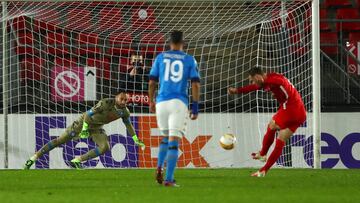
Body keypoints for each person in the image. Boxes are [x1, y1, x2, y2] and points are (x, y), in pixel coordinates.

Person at [24, 92, 145, 169]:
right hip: (83, 123)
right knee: (60, 141)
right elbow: (87, 114)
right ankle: (33, 158)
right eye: (121, 99)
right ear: (116, 98)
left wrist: (135, 139)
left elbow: (128, 125)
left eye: (126, 100)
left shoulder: (125, 112)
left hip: (97, 128)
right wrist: (84, 129)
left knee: (105, 147)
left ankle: (76, 161)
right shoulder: (106, 103)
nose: (124, 102)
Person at [228, 67, 306, 177]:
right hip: (300, 113)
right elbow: (254, 87)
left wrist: (281, 94)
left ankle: (263, 154)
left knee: (272, 125)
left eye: (252, 80)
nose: (252, 82)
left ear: (257, 77)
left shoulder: (273, 81)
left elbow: (282, 83)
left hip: (291, 108)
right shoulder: (270, 78)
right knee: (281, 138)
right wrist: (237, 91)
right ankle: (263, 170)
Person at [148, 30, 201, 186]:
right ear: (183, 42)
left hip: (161, 102)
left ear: (169, 42)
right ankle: (169, 179)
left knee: (165, 138)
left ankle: (159, 167)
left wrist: (151, 101)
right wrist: (195, 105)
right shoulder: (189, 60)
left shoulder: (160, 57)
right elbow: (195, 83)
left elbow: (152, 82)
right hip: (178, 102)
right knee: (173, 141)